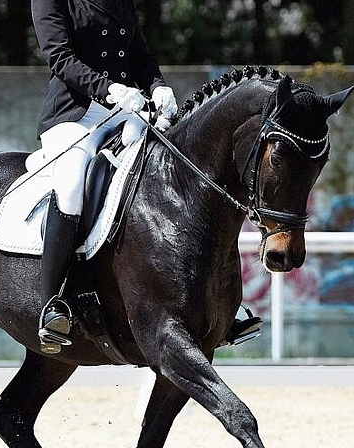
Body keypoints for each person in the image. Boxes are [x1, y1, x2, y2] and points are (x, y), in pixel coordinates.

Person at [31, 0, 260, 354]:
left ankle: (223, 300)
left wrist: (157, 85)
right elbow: (59, 57)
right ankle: (53, 303)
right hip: (76, 115)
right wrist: (108, 89)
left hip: (129, 111)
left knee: (178, 169)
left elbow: (140, 54)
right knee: (73, 181)